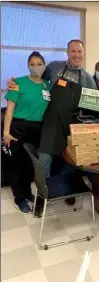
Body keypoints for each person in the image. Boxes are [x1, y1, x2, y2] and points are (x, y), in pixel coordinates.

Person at [7, 40, 99, 207]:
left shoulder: (86, 77)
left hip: (72, 126)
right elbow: (36, 81)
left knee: (69, 161)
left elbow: (94, 104)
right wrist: (14, 83)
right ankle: (43, 195)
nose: (76, 55)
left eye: (79, 52)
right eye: (73, 51)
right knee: (44, 161)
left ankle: (68, 189)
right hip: (51, 124)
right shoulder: (54, 67)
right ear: (67, 52)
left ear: (83, 53)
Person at [3, 51, 50, 214]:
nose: (36, 67)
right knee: (15, 165)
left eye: (39, 64)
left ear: (44, 65)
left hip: (37, 129)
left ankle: (28, 192)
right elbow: (9, 109)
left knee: (30, 164)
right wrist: (5, 132)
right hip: (18, 127)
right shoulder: (17, 83)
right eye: (32, 64)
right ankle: (19, 198)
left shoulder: (47, 85)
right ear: (27, 66)